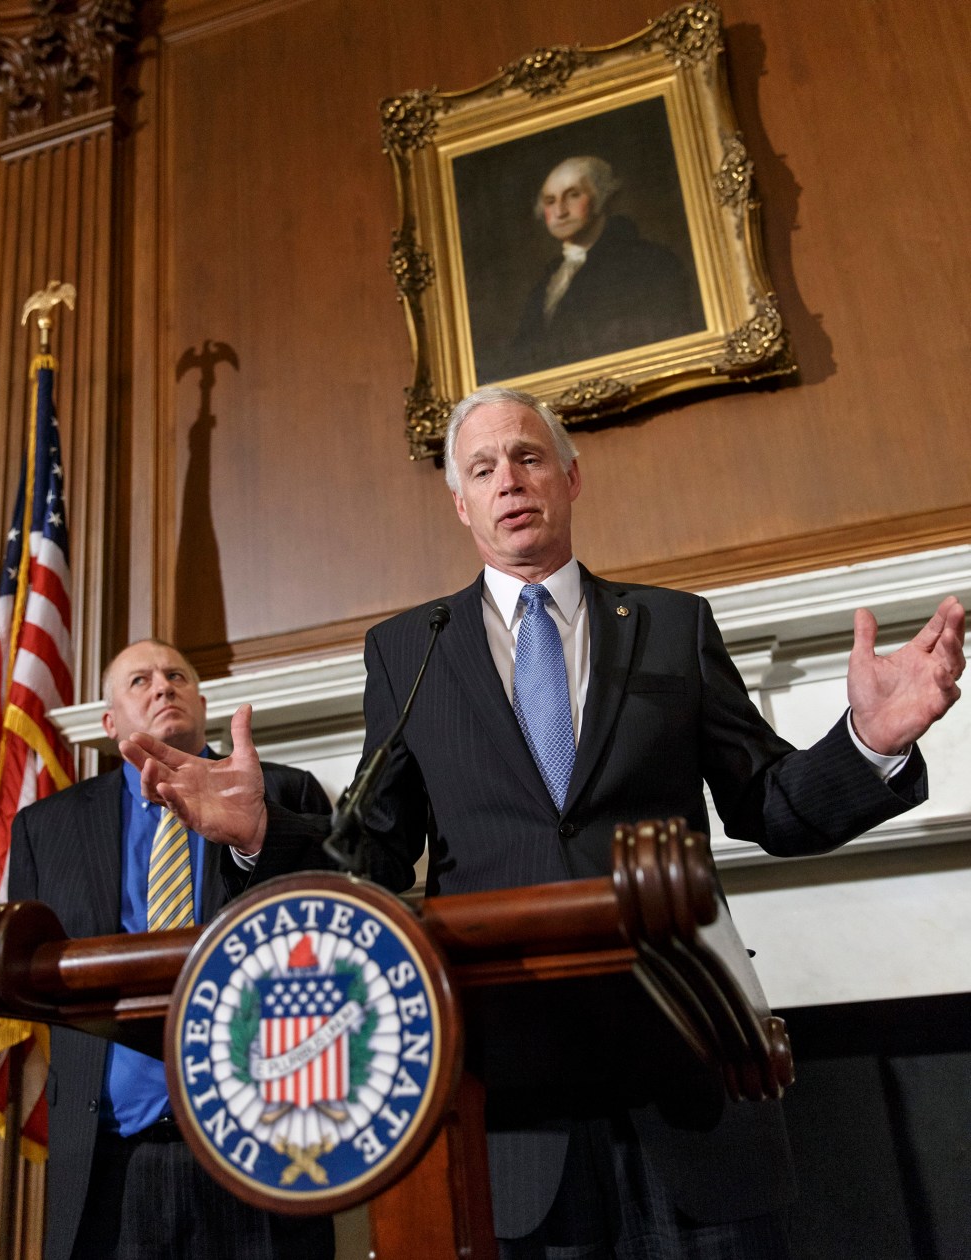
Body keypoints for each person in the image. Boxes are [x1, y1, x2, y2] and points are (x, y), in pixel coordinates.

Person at [122, 390, 965, 1259]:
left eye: (527, 458)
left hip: (690, 1060)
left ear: (569, 476)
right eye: (482, 470)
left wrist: (867, 742)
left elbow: (769, 804)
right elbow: (372, 854)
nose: (509, 482)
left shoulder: (671, 625)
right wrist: (263, 830)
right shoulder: (411, 651)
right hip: (512, 1102)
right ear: (460, 503)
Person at [8, 639, 337, 1260]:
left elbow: (340, 922)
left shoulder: (284, 796)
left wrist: (256, 837)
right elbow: (27, 980)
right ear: (109, 725)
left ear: (203, 704)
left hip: (259, 1153)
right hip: (110, 1162)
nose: (162, 686)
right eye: (140, 680)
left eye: (176, 675)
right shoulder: (45, 827)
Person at [506, 156, 704, 377]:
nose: (560, 212)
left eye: (573, 195)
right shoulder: (547, 282)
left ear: (601, 196)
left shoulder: (648, 262)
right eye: (550, 201)